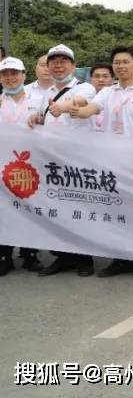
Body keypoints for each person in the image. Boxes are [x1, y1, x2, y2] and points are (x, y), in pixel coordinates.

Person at [69, 47, 133, 279]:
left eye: (125, 62)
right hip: (111, 161)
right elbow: (91, 109)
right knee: (117, 209)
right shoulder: (108, 92)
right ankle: (122, 259)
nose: (120, 66)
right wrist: (75, 110)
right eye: (116, 62)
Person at [27, 45, 97, 277]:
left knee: (79, 209)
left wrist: (63, 107)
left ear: (73, 66)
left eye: (63, 61)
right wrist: (34, 118)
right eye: (53, 61)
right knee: (56, 209)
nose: (58, 65)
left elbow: (78, 102)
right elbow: (41, 117)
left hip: (76, 163)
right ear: (48, 67)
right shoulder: (45, 93)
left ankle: (84, 258)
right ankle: (63, 257)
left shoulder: (84, 86)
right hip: (49, 163)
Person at [0, 57, 46, 276]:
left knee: (29, 209)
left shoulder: (38, 99)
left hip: (31, 167)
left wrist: (40, 119)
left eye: (14, 73)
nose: (10, 78)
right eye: (5, 74)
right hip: (2, 167)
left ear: (24, 75)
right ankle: (4, 256)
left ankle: (30, 255)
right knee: (3, 212)